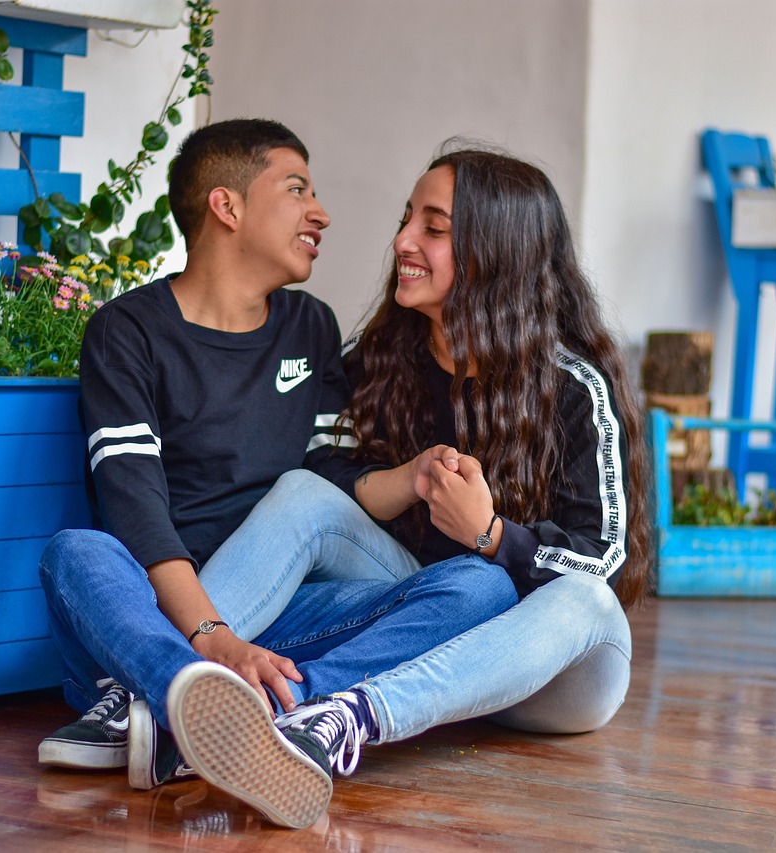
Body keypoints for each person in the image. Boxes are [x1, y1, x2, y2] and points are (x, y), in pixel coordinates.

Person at [162, 146, 655, 828]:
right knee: (305, 493)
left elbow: (605, 558)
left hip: (543, 671)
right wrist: (406, 480)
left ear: (495, 252)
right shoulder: (379, 360)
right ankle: (163, 686)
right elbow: (321, 465)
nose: (402, 241)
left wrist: (490, 535)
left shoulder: (573, 387)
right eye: (407, 219)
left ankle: (339, 718)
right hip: (426, 620)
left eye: (434, 227)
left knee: (587, 600)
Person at [36, 121, 519, 803]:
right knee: (78, 552)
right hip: (145, 616)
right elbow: (133, 508)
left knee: (482, 588)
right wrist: (212, 636)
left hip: (286, 619)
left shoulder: (309, 327)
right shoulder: (127, 331)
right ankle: (182, 688)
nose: (320, 213)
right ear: (227, 206)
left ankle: (168, 710)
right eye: (297, 190)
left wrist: (413, 477)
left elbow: (330, 477)